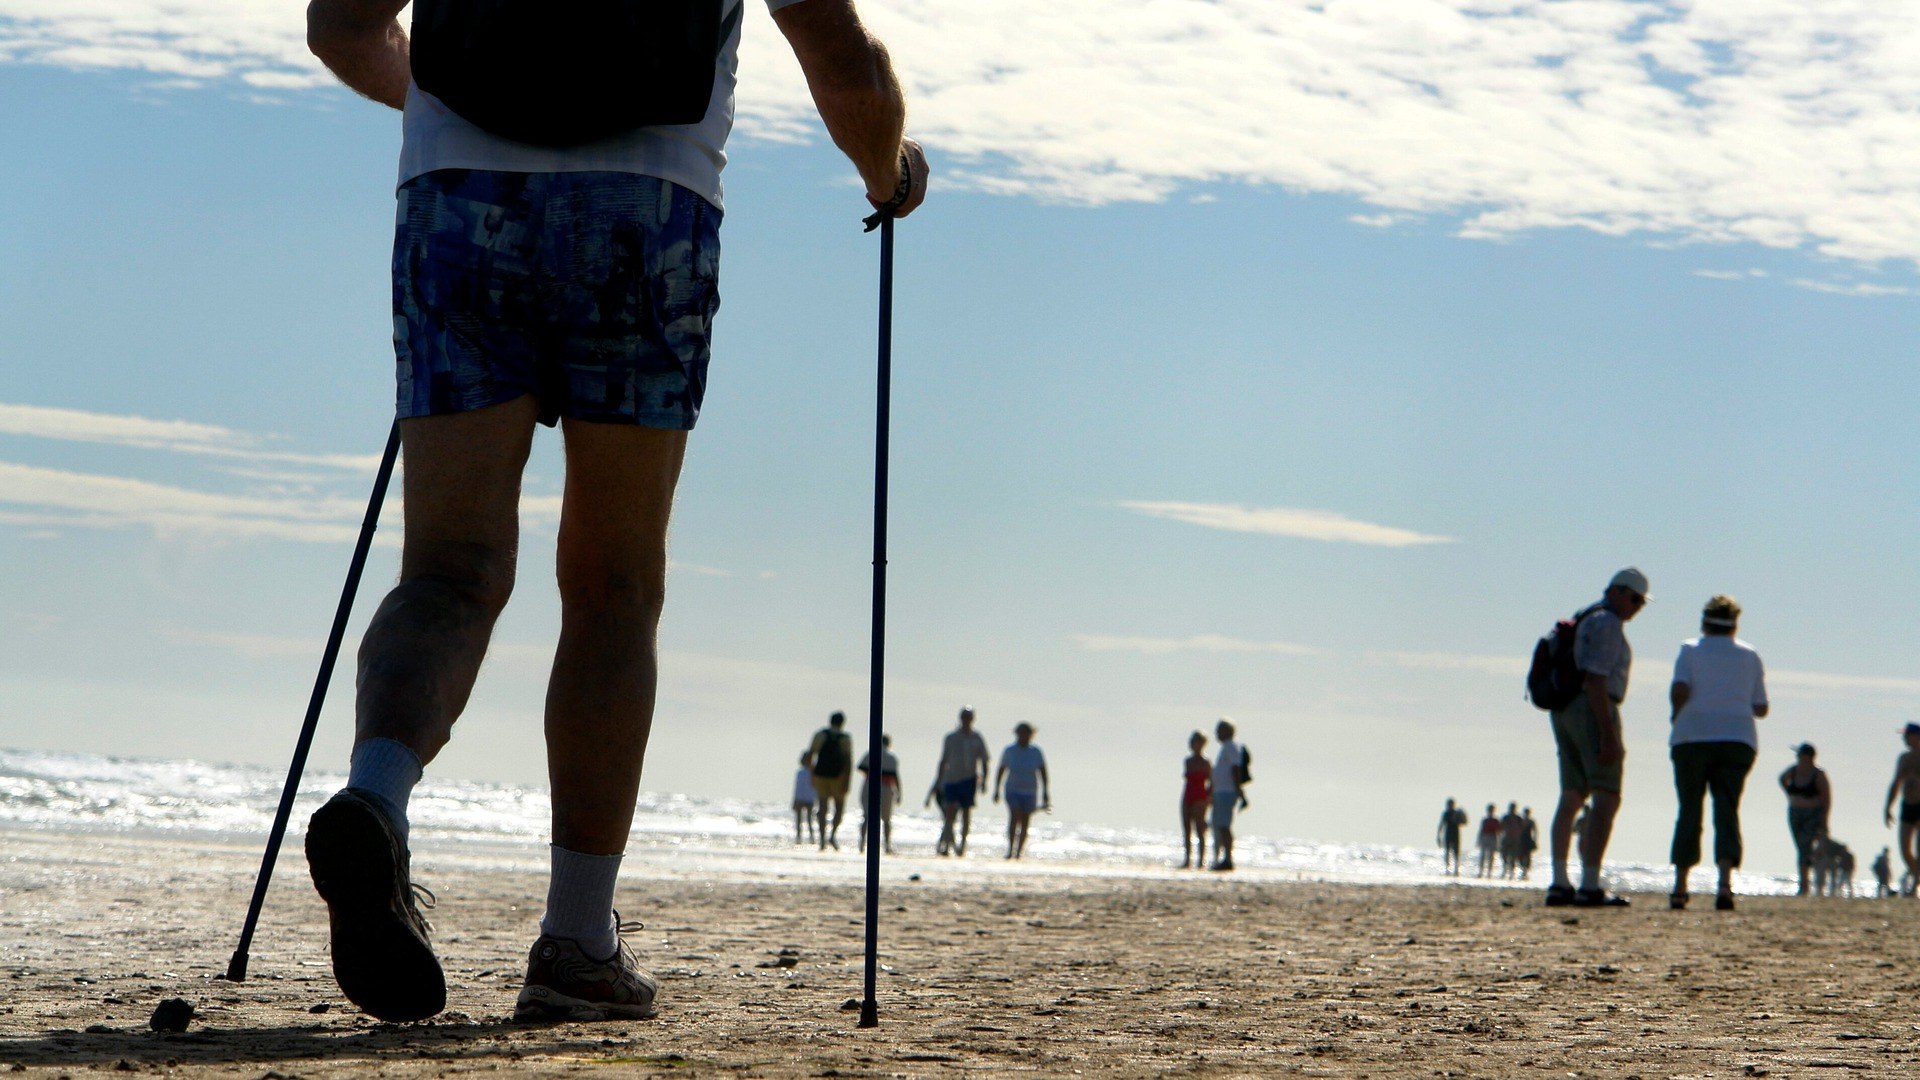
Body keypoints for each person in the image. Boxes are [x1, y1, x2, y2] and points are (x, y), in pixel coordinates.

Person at [298, 0, 928, 1024]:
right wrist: (887, 173)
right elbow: (839, 52)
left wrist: (430, 103)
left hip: (456, 194)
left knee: (448, 571)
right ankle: (577, 944)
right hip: (650, 203)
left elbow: (341, 26)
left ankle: (376, 796)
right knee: (612, 587)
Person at [1546, 567, 1649, 908]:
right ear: (1617, 592)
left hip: (1564, 709)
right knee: (1606, 794)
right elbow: (1596, 679)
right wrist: (1608, 733)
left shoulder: (1585, 616)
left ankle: (1560, 882)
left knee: (1572, 795)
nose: (1637, 607)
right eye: (1634, 598)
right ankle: (1589, 884)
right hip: (1593, 707)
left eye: (1642, 602)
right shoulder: (1607, 622)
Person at [1664, 595, 1769, 912]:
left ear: (1704, 622)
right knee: (1727, 808)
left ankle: (1681, 885)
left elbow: (1680, 688)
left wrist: (1676, 714)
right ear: (1734, 624)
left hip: (1691, 736)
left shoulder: (1690, 649)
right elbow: (1761, 707)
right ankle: (1724, 885)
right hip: (1737, 740)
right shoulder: (1750, 656)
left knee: (1689, 808)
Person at [929, 707, 990, 856]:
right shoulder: (951, 737)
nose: (966, 720)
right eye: (964, 717)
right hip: (951, 780)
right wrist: (938, 782)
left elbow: (984, 760)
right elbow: (943, 760)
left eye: (969, 717)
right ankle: (948, 844)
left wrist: (984, 781)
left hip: (969, 780)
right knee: (949, 813)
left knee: (966, 812)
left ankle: (963, 843)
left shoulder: (977, 738)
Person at [993, 723, 1050, 859]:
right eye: (1021, 733)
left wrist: (1045, 791)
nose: (1024, 736)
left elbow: (1043, 771)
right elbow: (1002, 769)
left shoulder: (1036, 752)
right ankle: (1010, 849)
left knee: (1025, 820)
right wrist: (997, 789)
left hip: (1030, 790)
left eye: (1026, 733)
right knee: (1015, 816)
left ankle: (1019, 851)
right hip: (1013, 789)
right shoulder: (1010, 750)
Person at [1782, 743, 1832, 895]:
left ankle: (1804, 884)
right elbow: (1782, 779)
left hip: (1812, 814)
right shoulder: (1794, 771)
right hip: (1794, 812)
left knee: (1805, 846)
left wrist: (1824, 820)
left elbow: (1826, 798)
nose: (1798, 757)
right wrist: (1790, 794)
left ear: (1808, 756)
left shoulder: (1818, 774)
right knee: (1801, 847)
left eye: (1800, 754)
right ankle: (1804, 881)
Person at [805, 712, 855, 851]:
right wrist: (847, 781)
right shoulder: (845, 739)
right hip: (838, 778)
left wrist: (812, 774)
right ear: (842, 723)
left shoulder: (820, 735)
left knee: (822, 807)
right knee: (839, 808)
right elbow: (848, 761)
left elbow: (810, 755)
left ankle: (821, 839)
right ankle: (832, 834)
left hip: (820, 776)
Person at [1882, 723, 1920, 896]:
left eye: (1907, 735)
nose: (1904, 739)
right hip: (1908, 805)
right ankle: (1916, 875)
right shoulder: (1904, 758)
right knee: (1904, 850)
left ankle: (1914, 887)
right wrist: (1888, 807)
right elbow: (1896, 783)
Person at [1210, 718, 1249, 871]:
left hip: (1227, 792)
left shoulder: (1232, 746)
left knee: (1224, 826)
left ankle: (1228, 859)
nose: (1217, 733)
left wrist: (1238, 788)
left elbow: (1235, 768)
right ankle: (1222, 857)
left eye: (1219, 730)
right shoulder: (1227, 747)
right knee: (1219, 825)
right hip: (1222, 791)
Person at [855, 735, 901, 855]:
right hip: (887, 787)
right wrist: (899, 792)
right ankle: (887, 844)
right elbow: (895, 776)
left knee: (867, 816)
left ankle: (861, 843)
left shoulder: (870, 753)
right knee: (886, 819)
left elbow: (860, 767)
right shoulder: (892, 757)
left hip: (870, 784)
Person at [1182, 733, 1213, 870]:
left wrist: (1209, 798)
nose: (1196, 746)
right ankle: (1187, 859)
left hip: (1200, 797)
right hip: (1187, 795)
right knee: (1187, 828)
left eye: (1199, 743)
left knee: (1200, 829)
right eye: (1194, 742)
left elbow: (1212, 782)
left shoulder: (1206, 762)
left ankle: (1201, 860)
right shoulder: (1187, 761)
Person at [1436, 798, 1467, 877]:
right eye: (1449, 804)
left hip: (1456, 834)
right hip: (1448, 834)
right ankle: (1447, 869)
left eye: (1451, 804)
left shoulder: (1457, 813)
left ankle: (1456, 869)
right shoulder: (1446, 813)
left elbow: (1464, 822)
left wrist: (1462, 815)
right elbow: (1442, 824)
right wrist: (1438, 835)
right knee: (1447, 852)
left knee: (1456, 852)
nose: (1450, 805)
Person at [791, 754, 817, 846]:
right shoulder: (812, 773)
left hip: (801, 798)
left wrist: (794, 800)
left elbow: (797, 788)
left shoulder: (801, 773)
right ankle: (810, 838)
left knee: (800, 820)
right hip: (809, 799)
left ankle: (800, 838)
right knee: (808, 820)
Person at [1499, 802, 1526, 879]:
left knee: (1513, 856)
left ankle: (1511, 873)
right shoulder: (1506, 817)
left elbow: (1523, 828)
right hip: (1507, 838)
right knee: (1504, 855)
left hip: (1515, 839)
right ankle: (1505, 870)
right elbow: (1501, 827)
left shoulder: (1518, 818)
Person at [1475, 804, 1500, 878]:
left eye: (1492, 810)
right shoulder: (1485, 820)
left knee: (1491, 856)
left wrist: (1499, 842)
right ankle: (1481, 872)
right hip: (1485, 837)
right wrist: (1479, 840)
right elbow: (1481, 830)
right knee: (1483, 855)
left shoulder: (1496, 820)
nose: (1490, 811)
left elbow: (1498, 831)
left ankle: (1489, 872)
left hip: (1493, 837)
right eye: (1490, 810)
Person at [1519, 807, 1539, 879]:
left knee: (1527, 856)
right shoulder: (1521, 821)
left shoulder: (1531, 821)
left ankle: (1525, 871)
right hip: (1521, 840)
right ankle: (1523, 869)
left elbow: (1535, 831)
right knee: (1521, 856)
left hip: (1528, 840)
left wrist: (1535, 840)